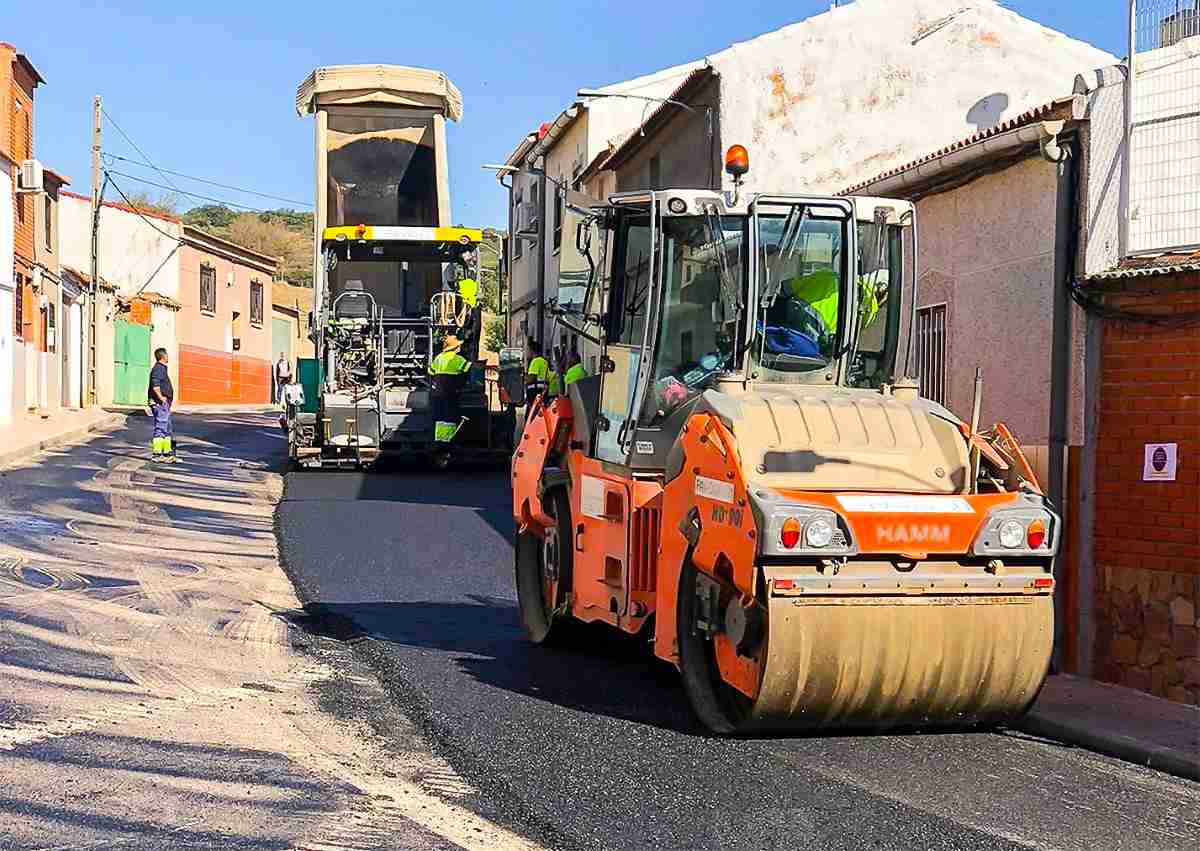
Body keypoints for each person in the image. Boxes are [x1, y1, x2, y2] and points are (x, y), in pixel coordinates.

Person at [429, 335, 471, 443]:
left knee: (440, 418)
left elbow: (430, 371)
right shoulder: (458, 359)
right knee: (450, 418)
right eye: (458, 345)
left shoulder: (439, 357)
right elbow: (468, 368)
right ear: (455, 347)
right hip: (451, 394)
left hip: (438, 394)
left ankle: (439, 440)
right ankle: (449, 440)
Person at [147, 348, 176, 463]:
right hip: (160, 403)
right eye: (167, 355)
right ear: (163, 356)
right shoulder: (158, 369)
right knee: (161, 427)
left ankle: (167, 453)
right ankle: (157, 454)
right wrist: (161, 398)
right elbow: (155, 385)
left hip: (164, 404)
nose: (168, 356)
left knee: (167, 428)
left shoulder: (162, 369)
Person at [525, 340, 549, 407]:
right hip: (543, 392)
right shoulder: (544, 361)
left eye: (527, 350)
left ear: (532, 351)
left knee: (531, 415)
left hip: (534, 393)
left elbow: (531, 378)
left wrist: (524, 377)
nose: (526, 352)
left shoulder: (535, 361)